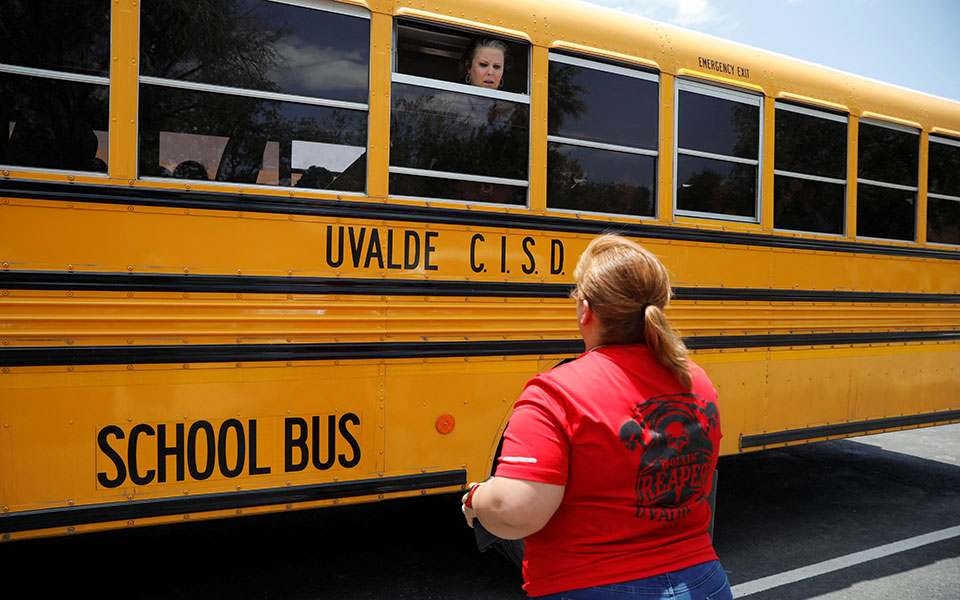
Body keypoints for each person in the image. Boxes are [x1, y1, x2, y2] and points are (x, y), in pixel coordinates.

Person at [461, 234, 732, 599]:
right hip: (705, 582)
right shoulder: (695, 380)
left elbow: (515, 510)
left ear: (585, 310)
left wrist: (476, 499)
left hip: (591, 584)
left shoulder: (557, 392)